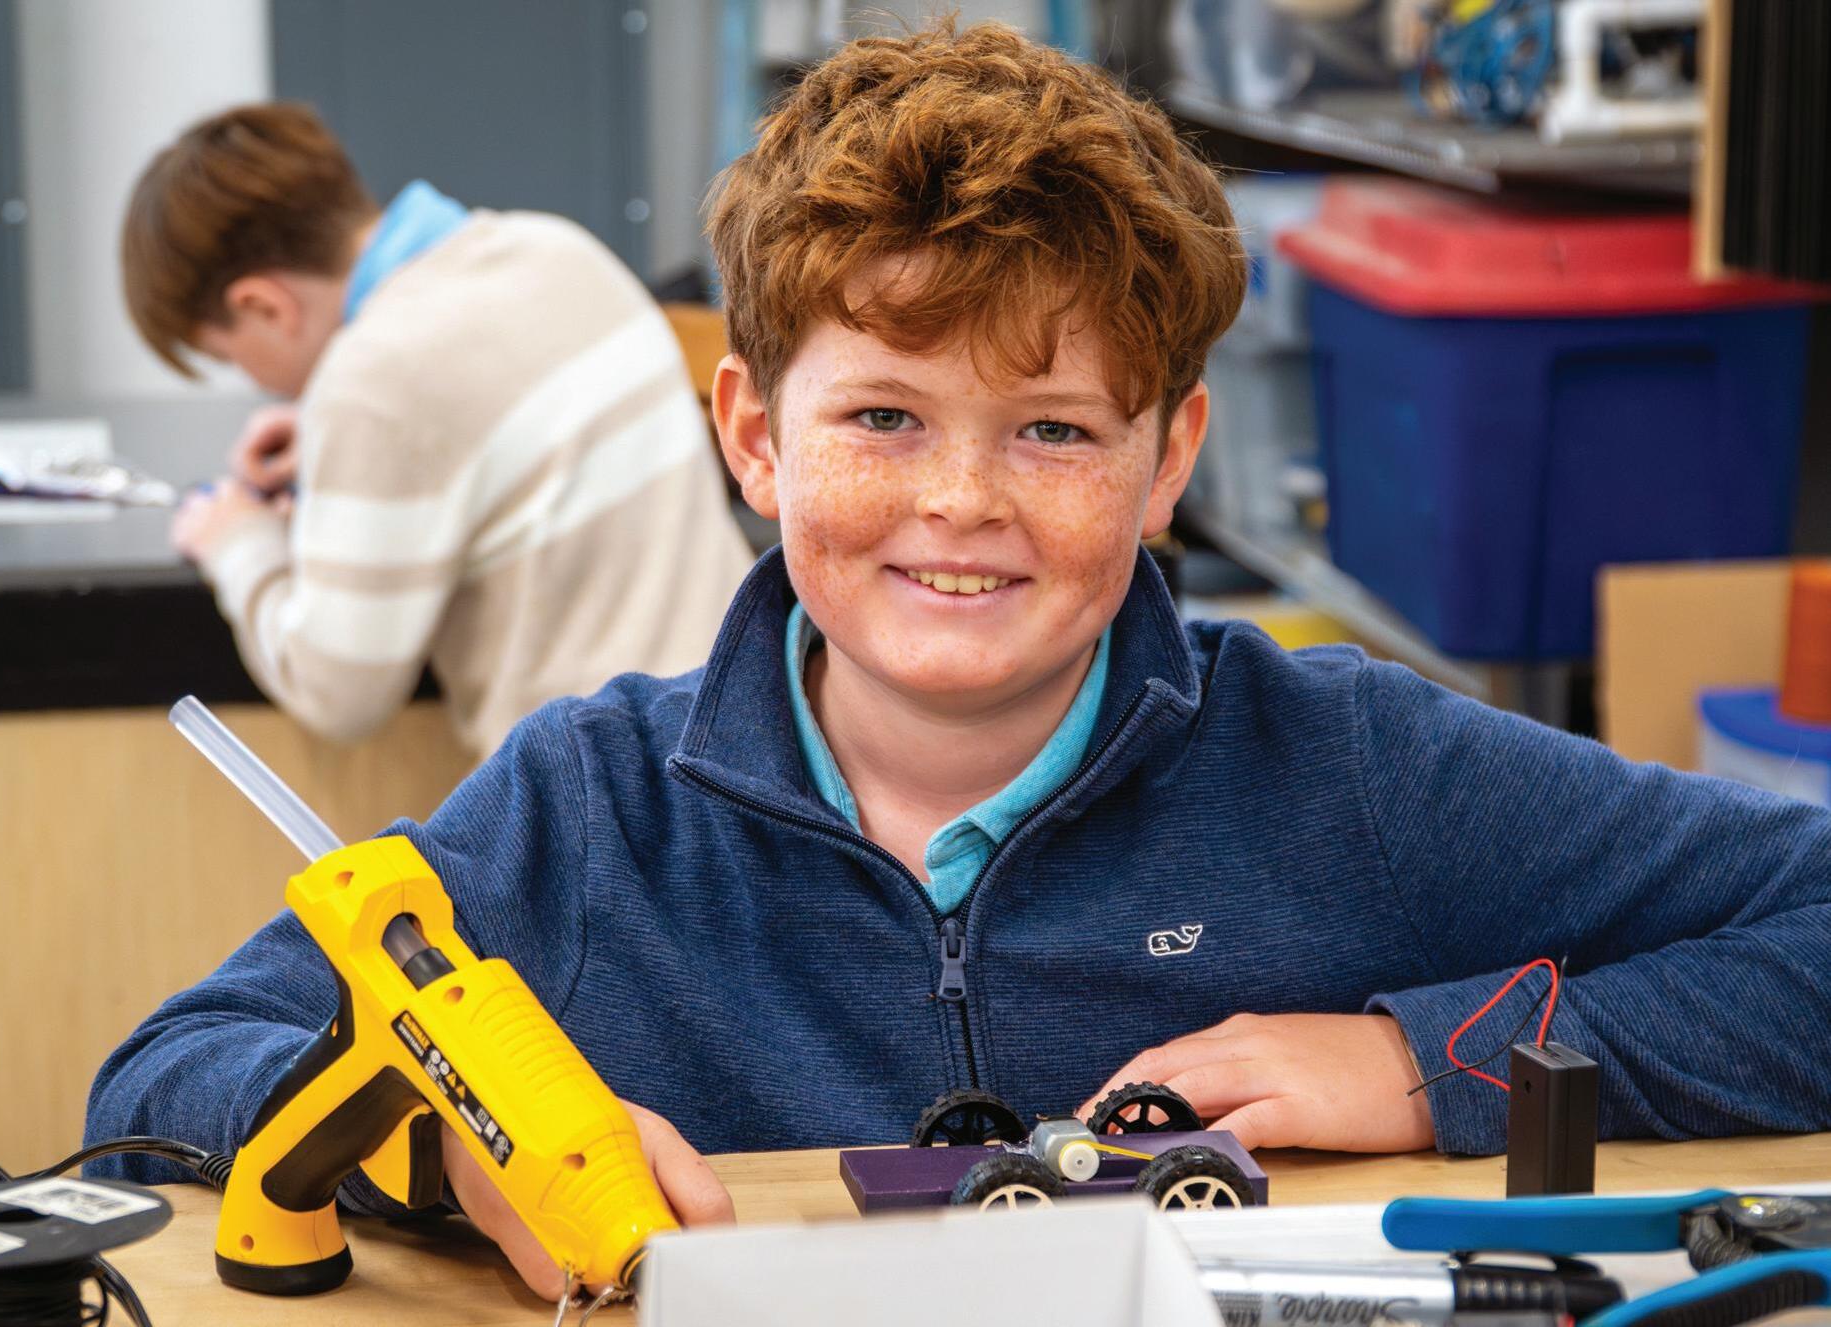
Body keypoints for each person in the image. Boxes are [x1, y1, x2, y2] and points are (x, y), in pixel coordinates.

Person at [89, 20, 1831, 1300]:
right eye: (882, 417)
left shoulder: (1349, 764)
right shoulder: (592, 802)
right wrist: (441, 1147)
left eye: (1055, 428)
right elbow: (168, 1070)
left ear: (1168, 459)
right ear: (754, 438)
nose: (960, 502)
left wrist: (1419, 1063)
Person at [124, 104, 752, 757]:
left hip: (613, 787)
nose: (252, 380)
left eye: (228, 356)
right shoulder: (555, 246)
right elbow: (483, 410)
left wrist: (237, 540)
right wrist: (330, 436)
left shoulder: (372, 380)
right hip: (746, 720)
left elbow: (337, 694)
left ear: (262, 305)